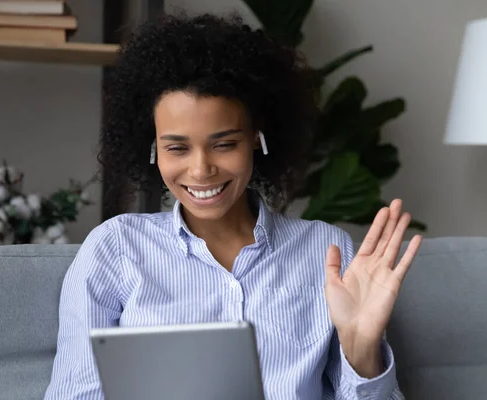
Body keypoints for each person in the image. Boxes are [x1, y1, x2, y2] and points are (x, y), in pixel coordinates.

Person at [44, 12, 422, 400]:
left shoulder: (326, 251)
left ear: (258, 140)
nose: (201, 169)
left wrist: (361, 349)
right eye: (177, 147)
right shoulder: (114, 248)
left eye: (224, 144)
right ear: (152, 150)